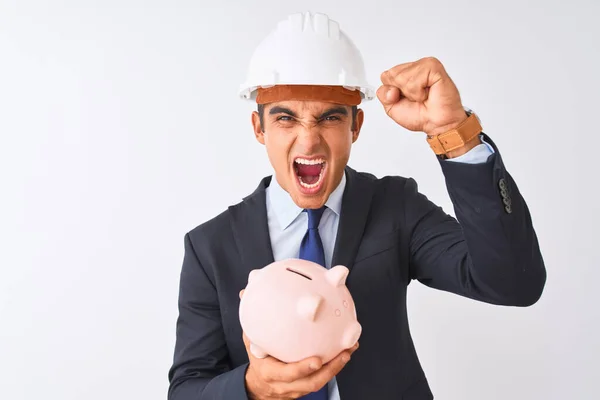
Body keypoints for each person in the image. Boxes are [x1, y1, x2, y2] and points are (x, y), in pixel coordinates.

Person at [167, 11, 546, 400]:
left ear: (356, 127)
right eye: (286, 119)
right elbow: (186, 389)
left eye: (329, 117)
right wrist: (250, 387)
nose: (309, 141)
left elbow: (513, 282)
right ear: (259, 128)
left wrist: (454, 134)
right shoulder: (209, 246)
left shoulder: (395, 208)